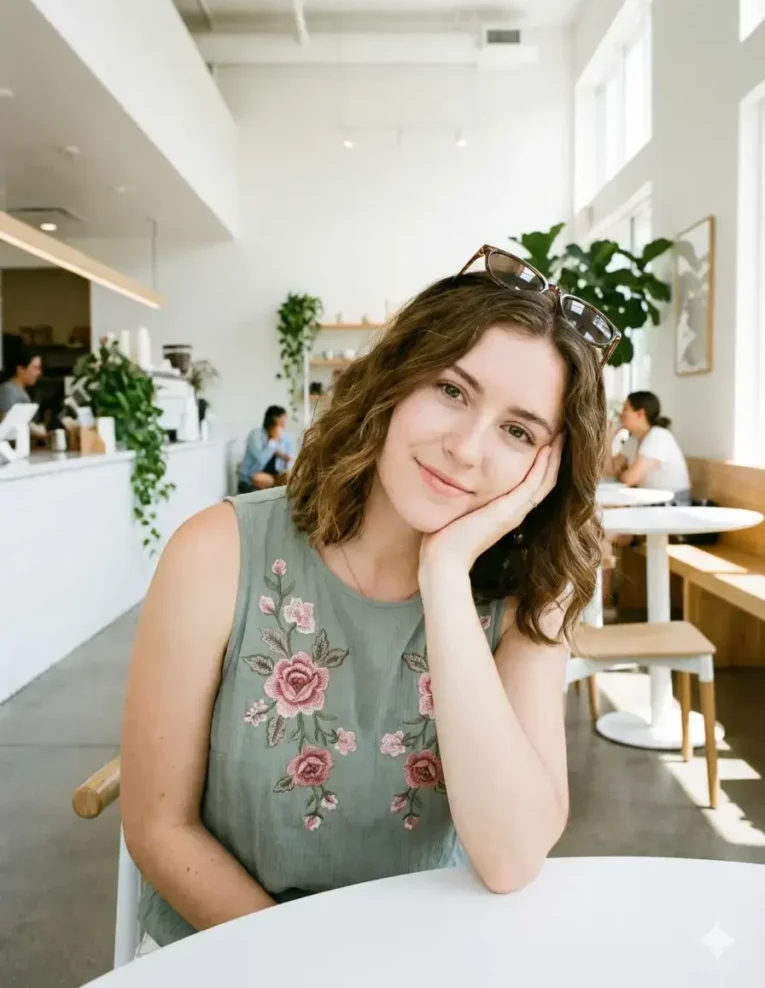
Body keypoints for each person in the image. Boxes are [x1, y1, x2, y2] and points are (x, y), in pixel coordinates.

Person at [121, 245, 612, 954]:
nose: (465, 448)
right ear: (394, 380)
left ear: (546, 466)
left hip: (426, 955)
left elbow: (509, 859)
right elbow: (160, 829)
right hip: (234, 953)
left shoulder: (528, 600)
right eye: (451, 389)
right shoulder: (217, 552)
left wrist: (443, 573)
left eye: (516, 430)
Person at [611, 390, 690, 504]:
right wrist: (606, 439)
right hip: (649, 499)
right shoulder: (634, 438)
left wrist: (623, 474)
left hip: (672, 502)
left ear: (641, 414)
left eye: (625, 409)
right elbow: (611, 470)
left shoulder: (658, 436)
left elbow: (630, 479)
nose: (621, 414)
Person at [237, 405, 294, 493]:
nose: (284, 424)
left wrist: (285, 459)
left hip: (275, 476)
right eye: (282, 421)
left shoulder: (285, 437)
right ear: (273, 420)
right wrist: (273, 440)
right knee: (262, 479)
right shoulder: (255, 435)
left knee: (290, 478)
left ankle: (278, 489)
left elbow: (289, 461)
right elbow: (261, 459)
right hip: (251, 477)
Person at [0, 345, 46, 442]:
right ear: (20, 369)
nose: (39, 373)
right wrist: (35, 430)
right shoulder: (8, 390)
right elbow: (9, 421)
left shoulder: (23, 390)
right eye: (35, 368)